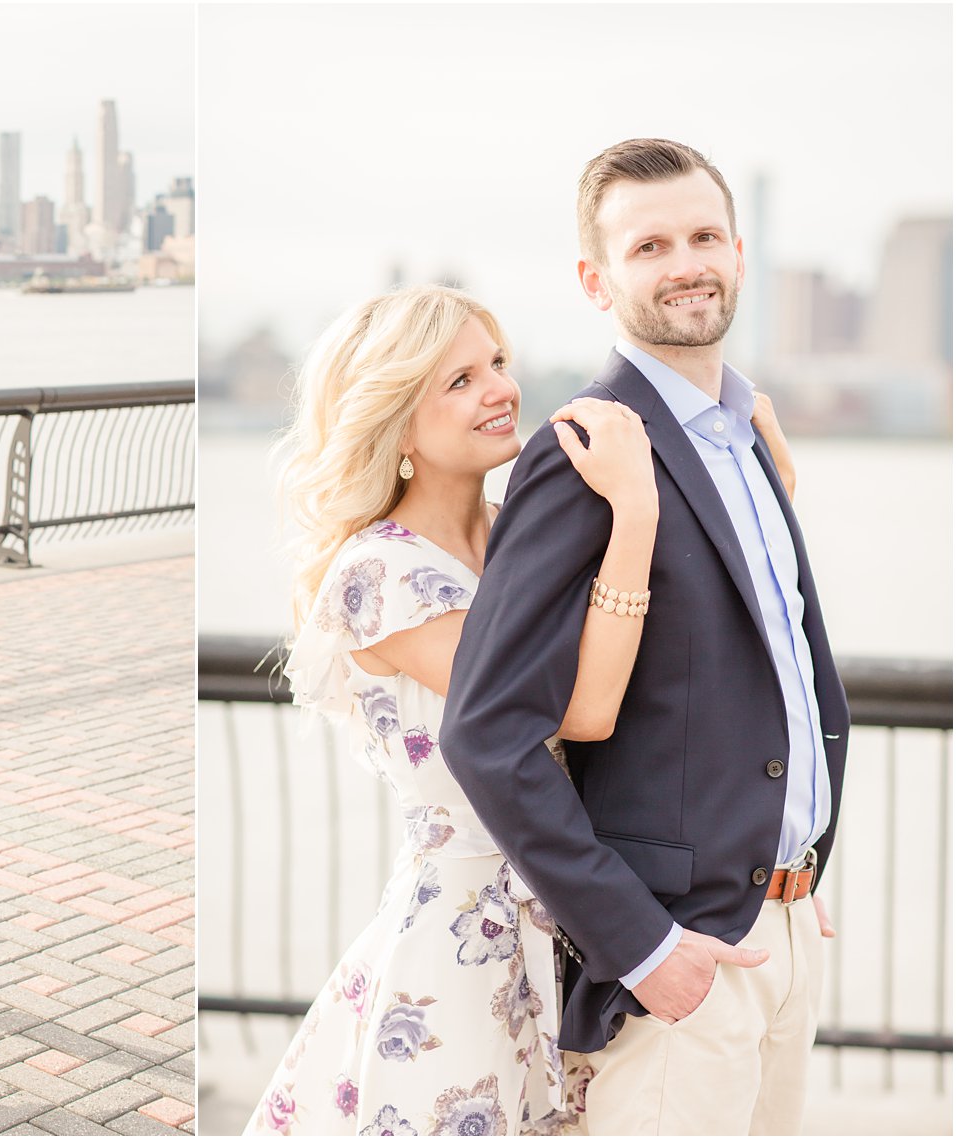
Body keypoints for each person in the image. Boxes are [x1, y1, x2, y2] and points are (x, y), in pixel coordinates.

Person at [244, 283, 794, 1137]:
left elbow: (671, 678)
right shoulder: (379, 573)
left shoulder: (513, 535)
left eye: (496, 362)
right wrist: (636, 511)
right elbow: (581, 709)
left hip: (570, 914)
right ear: (395, 424)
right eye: (457, 380)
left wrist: (774, 837)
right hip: (465, 937)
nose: (499, 388)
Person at [440, 139, 847, 1135]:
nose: (685, 263)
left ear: (738, 253)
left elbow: (776, 670)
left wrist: (793, 858)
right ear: (596, 278)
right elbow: (484, 731)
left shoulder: (744, 431)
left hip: (785, 933)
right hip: (679, 959)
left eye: (703, 235)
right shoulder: (585, 447)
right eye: (648, 245)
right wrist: (640, 944)